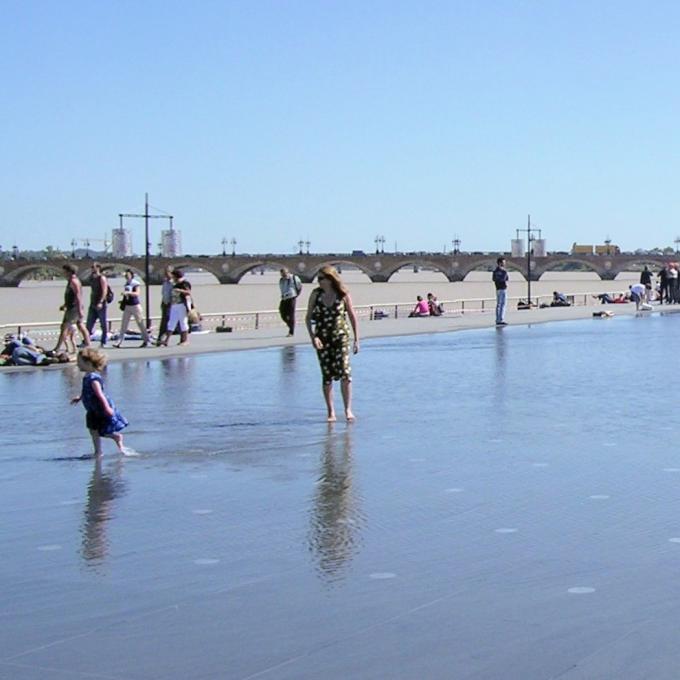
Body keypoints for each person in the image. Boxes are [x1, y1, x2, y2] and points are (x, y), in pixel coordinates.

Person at [305, 266, 359, 422]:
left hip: (341, 336)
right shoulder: (316, 294)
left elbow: (352, 316)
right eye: (318, 279)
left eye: (322, 278)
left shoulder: (342, 294)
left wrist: (356, 339)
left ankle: (348, 410)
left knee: (345, 371)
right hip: (322, 338)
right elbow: (308, 318)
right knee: (327, 375)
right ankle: (331, 412)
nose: (319, 281)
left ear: (330, 279)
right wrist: (313, 337)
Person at [71, 348, 128, 456]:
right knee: (93, 430)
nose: (77, 365)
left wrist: (107, 408)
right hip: (92, 409)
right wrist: (80, 397)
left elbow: (100, 394)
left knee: (100, 430)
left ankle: (114, 438)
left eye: (79, 362)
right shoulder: (87, 377)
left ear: (88, 363)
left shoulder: (93, 378)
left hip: (99, 409)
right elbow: (87, 391)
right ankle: (98, 451)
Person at [52, 263, 91, 353]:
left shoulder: (74, 282)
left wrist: (79, 309)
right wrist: (65, 304)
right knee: (80, 325)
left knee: (64, 327)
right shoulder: (71, 281)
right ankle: (88, 344)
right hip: (72, 306)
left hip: (73, 308)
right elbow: (71, 296)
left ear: (69, 271)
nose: (63, 273)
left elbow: (78, 296)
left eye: (64, 271)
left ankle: (57, 348)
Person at [114, 269, 150, 348]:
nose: (126, 276)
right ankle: (119, 342)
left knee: (140, 324)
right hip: (127, 306)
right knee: (124, 324)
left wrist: (128, 293)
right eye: (126, 275)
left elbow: (137, 294)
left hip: (135, 306)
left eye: (128, 275)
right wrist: (122, 301)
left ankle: (146, 340)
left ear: (132, 275)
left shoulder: (135, 283)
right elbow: (127, 295)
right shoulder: (126, 283)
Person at [158, 269, 192, 347]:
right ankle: (166, 341)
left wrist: (180, 290)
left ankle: (185, 340)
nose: (172, 278)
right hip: (174, 305)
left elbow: (188, 292)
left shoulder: (185, 283)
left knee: (183, 322)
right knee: (171, 323)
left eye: (173, 276)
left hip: (182, 305)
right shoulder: (175, 284)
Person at [85, 262, 110, 347]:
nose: (92, 269)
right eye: (91, 267)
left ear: (98, 268)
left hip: (100, 304)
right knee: (89, 324)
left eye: (93, 267)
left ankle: (104, 341)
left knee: (103, 324)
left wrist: (101, 302)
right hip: (92, 304)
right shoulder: (92, 278)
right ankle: (86, 341)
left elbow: (104, 291)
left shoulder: (102, 278)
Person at [279, 267, 302, 336]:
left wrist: (295, 295)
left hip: (292, 298)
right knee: (282, 313)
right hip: (284, 298)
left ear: (288, 272)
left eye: (285, 274)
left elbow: (300, 287)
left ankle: (291, 332)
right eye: (282, 274)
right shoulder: (281, 280)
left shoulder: (294, 278)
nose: (283, 275)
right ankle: (291, 325)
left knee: (291, 315)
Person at [156, 266, 174, 345]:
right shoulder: (165, 283)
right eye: (165, 273)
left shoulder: (173, 283)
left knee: (167, 321)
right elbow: (163, 293)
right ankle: (161, 338)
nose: (166, 275)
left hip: (171, 304)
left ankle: (162, 338)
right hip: (164, 303)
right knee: (165, 321)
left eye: (167, 273)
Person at [492, 256, 509, 325]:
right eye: (503, 262)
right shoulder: (503, 271)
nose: (504, 264)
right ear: (500, 263)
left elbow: (494, 279)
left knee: (498, 304)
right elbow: (506, 278)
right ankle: (501, 319)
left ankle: (497, 319)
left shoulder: (495, 271)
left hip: (497, 288)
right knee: (503, 304)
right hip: (502, 288)